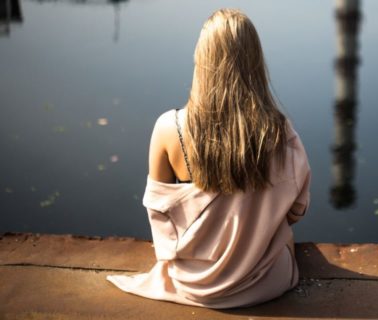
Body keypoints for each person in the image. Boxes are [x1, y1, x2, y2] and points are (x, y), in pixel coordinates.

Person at [106, 9, 311, 309]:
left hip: (192, 284)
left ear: (201, 59)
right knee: (287, 242)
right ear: (256, 62)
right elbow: (296, 211)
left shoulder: (168, 128)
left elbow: (160, 218)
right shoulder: (280, 132)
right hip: (264, 282)